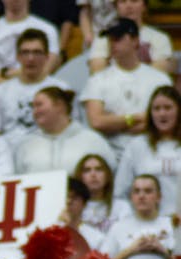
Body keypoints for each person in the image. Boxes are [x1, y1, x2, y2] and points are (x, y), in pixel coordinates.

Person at [80, 17, 172, 159]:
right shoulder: (97, 80)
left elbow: (167, 119)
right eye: (110, 39)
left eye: (118, 39)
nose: (112, 44)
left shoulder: (159, 79)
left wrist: (114, 122)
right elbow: (97, 121)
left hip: (151, 152)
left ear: (135, 40)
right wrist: (135, 118)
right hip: (111, 153)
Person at [0, 28, 72, 146]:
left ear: (47, 56)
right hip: (11, 155)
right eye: (25, 52)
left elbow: (70, 129)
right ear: (18, 56)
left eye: (37, 52)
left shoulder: (61, 89)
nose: (31, 58)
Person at [113, 86, 181, 218]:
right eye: (157, 109)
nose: (162, 114)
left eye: (168, 108)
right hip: (146, 223)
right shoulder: (137, 145)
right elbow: (120, 192)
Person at [16, 87, 116, 174]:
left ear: (59, 106)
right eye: (33, 107)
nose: (35, 111)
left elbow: (108, 176)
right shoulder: (27, 144)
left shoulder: (92, 141)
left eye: (39, 105)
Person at [0, 0, 60, 90]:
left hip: (38, 94)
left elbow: (45, 71)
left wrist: (3, 74)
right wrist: (24, 75)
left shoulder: (48, 30)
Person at [86, 0, 174, 75]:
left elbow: (159, 74)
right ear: (116, 7)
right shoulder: (103, 38)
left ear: (144, 6)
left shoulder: (159, 38)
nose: (128, 6)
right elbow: (97, 72)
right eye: (123, 1)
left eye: (134, 1)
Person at [75, 153, 129, 233]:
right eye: (87, 170)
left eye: (99, 169)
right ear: (80, 177)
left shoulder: (122, 207)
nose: (93, 174)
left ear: (107, 176)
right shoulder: (72, 208)